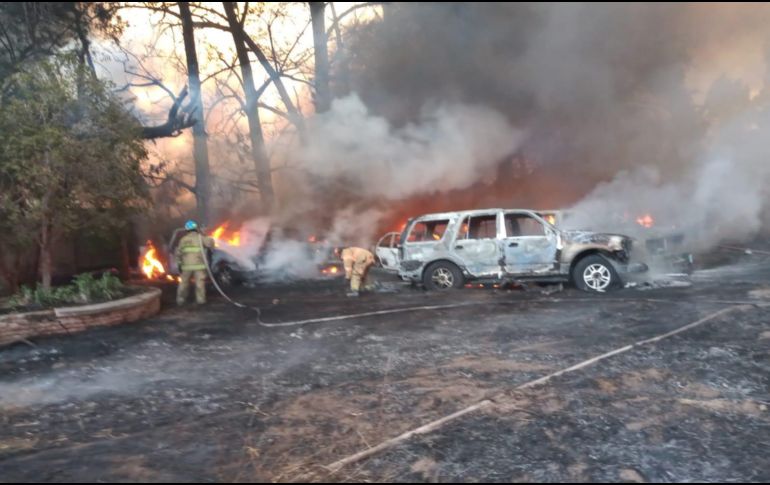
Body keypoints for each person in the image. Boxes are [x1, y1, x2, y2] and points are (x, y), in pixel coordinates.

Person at [175, 220, 215, 305]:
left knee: (184, 284)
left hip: (186, 267)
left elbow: (179, 253)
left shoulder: (183, 240)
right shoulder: (201, 238)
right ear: (196, 229)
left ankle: (180, 300)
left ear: (187, 230)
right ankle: (201, 300)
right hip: (199, 266)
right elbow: (211, 243)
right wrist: (204, 234)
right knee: (200, 284)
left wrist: (179, 263)